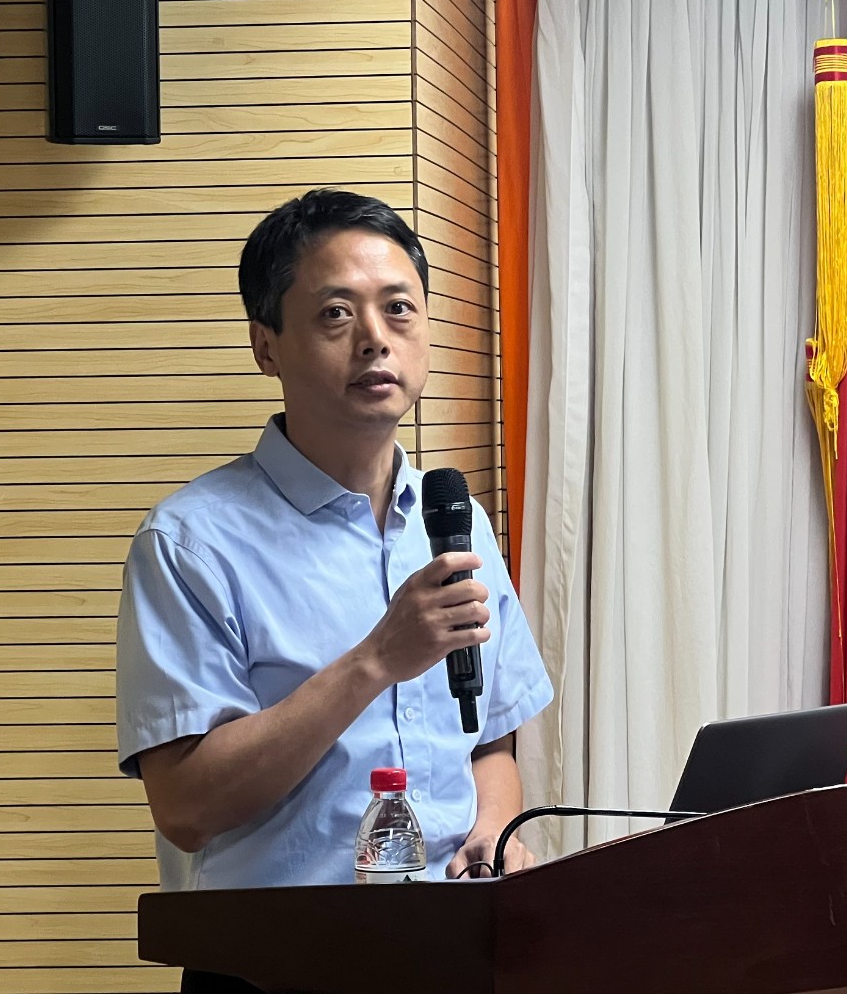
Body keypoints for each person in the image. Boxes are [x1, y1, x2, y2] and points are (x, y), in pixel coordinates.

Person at [115, 188, 554, 993]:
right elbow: (185, 807)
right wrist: (375, 661)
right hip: (274, 967)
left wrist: (491, 831)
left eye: (399, 308)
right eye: (335, 315)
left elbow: (489, 743)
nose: (375, 338)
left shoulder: (455, 523)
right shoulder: (191, 542)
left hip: (454, 951)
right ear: (265, 346)